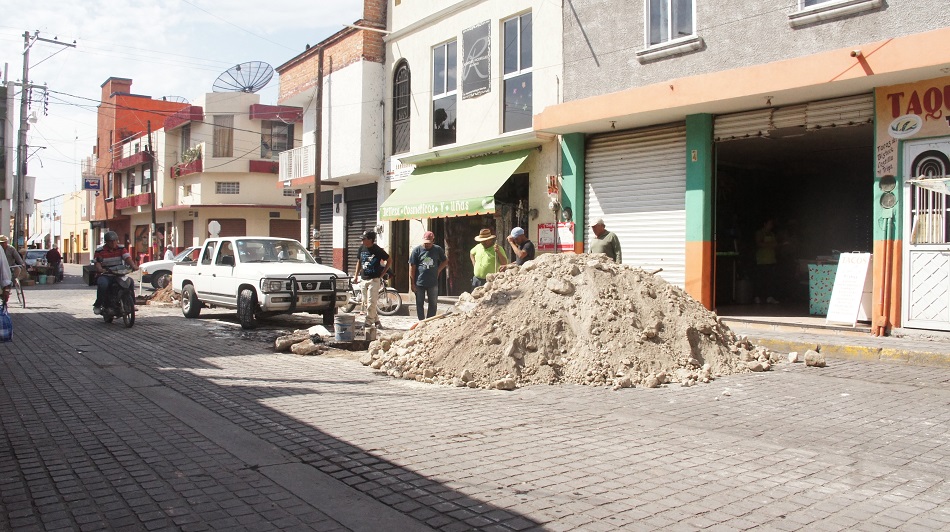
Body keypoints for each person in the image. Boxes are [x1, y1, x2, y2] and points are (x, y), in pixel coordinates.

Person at [93, 231, 137, 315]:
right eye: (110, 241)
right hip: (106, 274)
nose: (113, 243)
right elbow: (97, 262)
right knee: (103, 284)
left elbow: (127, 258)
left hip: (119, 274)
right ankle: (98, 305)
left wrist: (133, 266)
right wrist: (100, 269)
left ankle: (132, 304)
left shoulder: (121, 248)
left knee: (130, 282)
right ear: (106, 242)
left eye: (115, 240)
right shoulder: (100, 251)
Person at [353, 231, 390, 327]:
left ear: (370, 240)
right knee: (365, 302)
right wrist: (356, 275)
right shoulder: (361, 248)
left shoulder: (377, 249)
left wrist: (383, 273)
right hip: (363, 278)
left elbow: (389, 260)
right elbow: (359, 262)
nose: (362, 241)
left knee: (371, 301)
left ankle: (368, 322)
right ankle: (376, 320)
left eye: (364, 239)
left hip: (374, 279)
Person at [408, 231, 447, 321]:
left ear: (433, 241)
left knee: (433, 303)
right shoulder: (416, 250)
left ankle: (430, 320)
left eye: (429, 243)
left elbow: (445, 261)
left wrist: (438, 270)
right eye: (425, 243)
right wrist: (412, 284)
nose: (427, 245)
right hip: (419, 282)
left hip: (433, 282)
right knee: (419, 303)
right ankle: (421, 321)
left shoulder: (438, 249)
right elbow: (412, 267)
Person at [754, 218, 780, 305]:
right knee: (761, 280)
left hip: (771, 260)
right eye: (769, 224)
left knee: (770, 280)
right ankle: (757, 297)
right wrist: (770, 245)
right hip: (761, 260)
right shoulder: (760, 233)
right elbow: (759, 243)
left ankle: (769, 297)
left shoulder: (772, 234)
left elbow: (776, 244)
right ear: (765, 224)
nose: (771, 226)